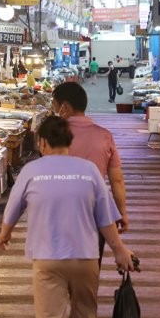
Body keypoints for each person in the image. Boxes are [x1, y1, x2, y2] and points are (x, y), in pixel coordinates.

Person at [0, 116, 137, 318]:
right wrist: (119, 250)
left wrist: (4, 234)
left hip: (47, 258)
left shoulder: (32, 170)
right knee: (85, 312)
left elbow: (12, 209)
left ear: (42, 142)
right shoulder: (88, 171)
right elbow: (105, 218)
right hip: (86, 256)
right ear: (69, 142)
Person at [52, 81, 130, 245]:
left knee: (59, 264)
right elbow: (116, 179)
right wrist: (121, 212)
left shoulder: (53, 136)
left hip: (59, 209)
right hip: (96, 209)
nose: (54, 110)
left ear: (64, 107)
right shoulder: (104, 136)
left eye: (54, 105)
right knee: (92, 263)